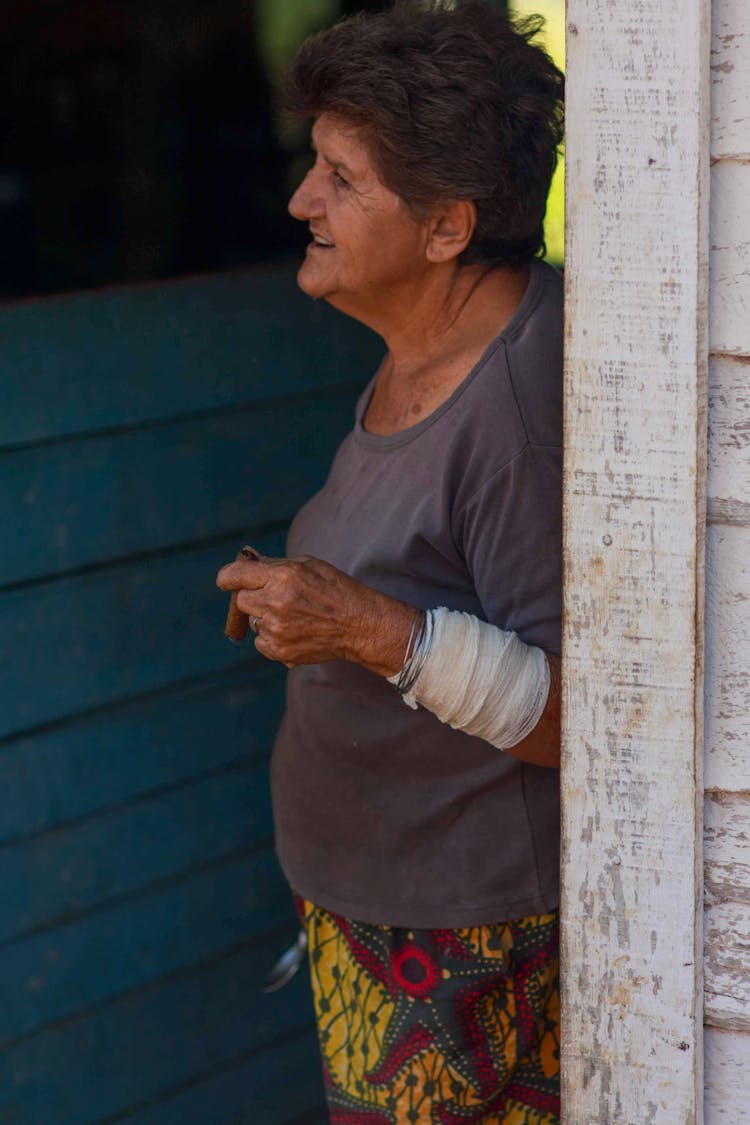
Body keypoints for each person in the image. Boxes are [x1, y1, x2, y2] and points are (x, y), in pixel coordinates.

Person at [217, 2, 564, 1120]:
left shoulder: (517, 407)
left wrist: (366, 629)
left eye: (341, 179)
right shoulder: (424, 350)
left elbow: (589, 728)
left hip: (461, 947)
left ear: (447, 228)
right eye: (313, 165)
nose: (300, 203)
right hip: (384, 909)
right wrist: (323, 614)